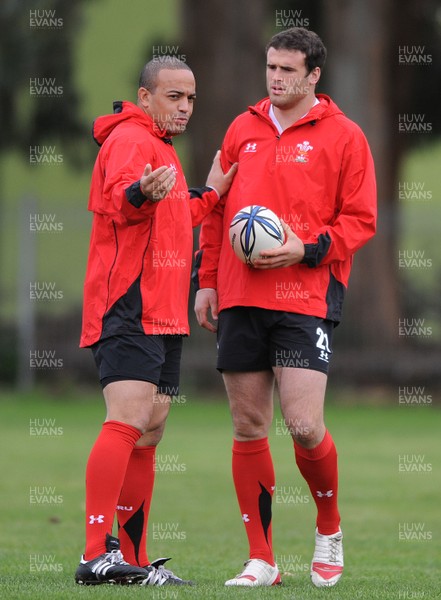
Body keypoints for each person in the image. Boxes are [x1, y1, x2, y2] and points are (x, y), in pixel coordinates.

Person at [194, 27, 376, 588]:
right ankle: (262, 558)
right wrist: (206, 280)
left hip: (305, 296)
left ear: (314, 75)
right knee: (249, 425)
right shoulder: (241, 129)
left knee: (301, 423)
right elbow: (215, 209)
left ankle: (329, 526)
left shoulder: (344, 136)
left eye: (288, 70)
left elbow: (360, 220)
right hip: (239, 294)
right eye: (271, 67)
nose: (275, 78)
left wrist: (306, 247)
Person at [76, 56, 237, 586]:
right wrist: (140, 193)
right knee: (127, 420)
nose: (185, 107)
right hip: (128, 306)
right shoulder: (129, 139)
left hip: (165, 313)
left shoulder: (162, 147)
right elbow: (122, 202)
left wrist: (211, 195)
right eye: (174, 97)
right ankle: (95, 553)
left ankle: (133, 560)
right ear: (145, 97)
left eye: (191, 98)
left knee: (149, 430)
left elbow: (172, 216)